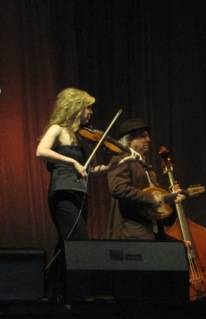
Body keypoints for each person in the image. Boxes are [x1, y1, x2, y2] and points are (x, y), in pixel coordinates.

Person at [36, 88, 140, 299]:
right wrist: (72, 161)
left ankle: (52, 291)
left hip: (80, 195)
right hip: (63, 193)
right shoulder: (58, 129)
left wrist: (122, 161)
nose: (91, 112)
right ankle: (79, 294)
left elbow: (90, 172)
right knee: (78, 242)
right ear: (74, 106)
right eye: (87, 107)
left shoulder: (81, 138)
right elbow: (41, 151)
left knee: (65, 246)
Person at [107, 118, 185, 240]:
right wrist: (151, 198)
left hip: (152, 234)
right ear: (129, 140)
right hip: (131, 235)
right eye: (143, 136)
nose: (148, 139)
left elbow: (153, 209)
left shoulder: (145, 167)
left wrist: (170, 199)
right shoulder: (121, 159)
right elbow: (118, 188)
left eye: (147, 136)